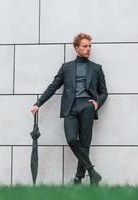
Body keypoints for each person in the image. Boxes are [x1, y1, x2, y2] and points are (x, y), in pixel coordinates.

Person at [30, 33, 108, 185]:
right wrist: (38, 103)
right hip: (70, 108)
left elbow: (104, 92)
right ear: (76, 48)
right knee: (71, 139)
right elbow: (53, 86)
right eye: (85, 46)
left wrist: (97, 103)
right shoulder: (66, 68)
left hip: (87, 106)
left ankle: (78, 179)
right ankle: (92, 172)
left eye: (90, 46)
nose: (88, 49)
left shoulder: (96, 68)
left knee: (85, 144)